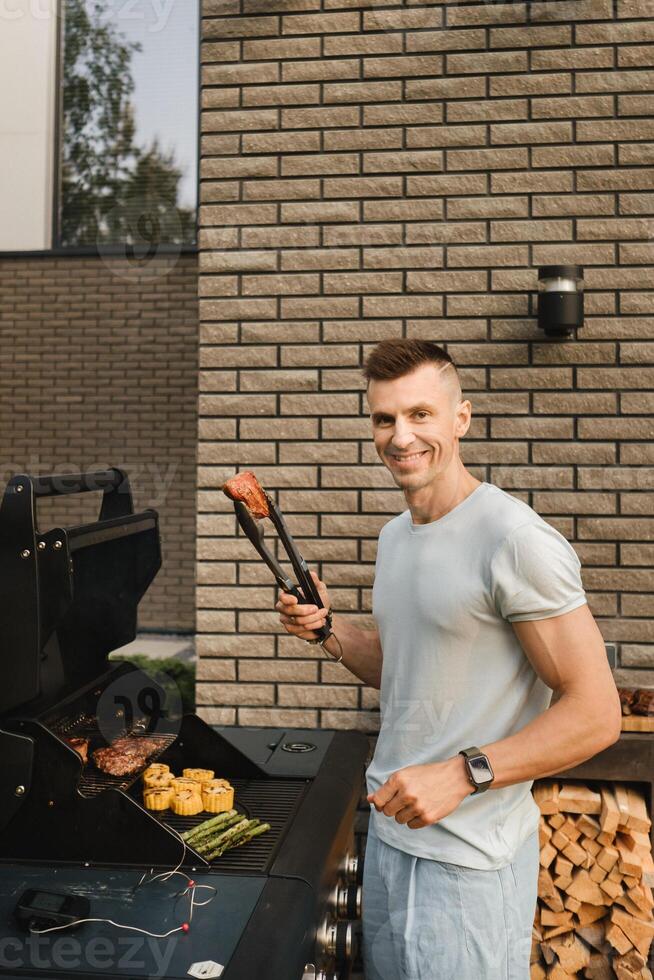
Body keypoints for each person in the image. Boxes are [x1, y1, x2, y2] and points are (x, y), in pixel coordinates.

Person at [275, 338, 621, 979]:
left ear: (461, 417)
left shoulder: (513, 540)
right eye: (384, 419)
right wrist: (329, 632)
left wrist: (463, 774)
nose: (400, 436)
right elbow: (405, 665)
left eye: (420, 414)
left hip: (468, 866)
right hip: (389, 842)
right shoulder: (396, 536)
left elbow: (597, 713)